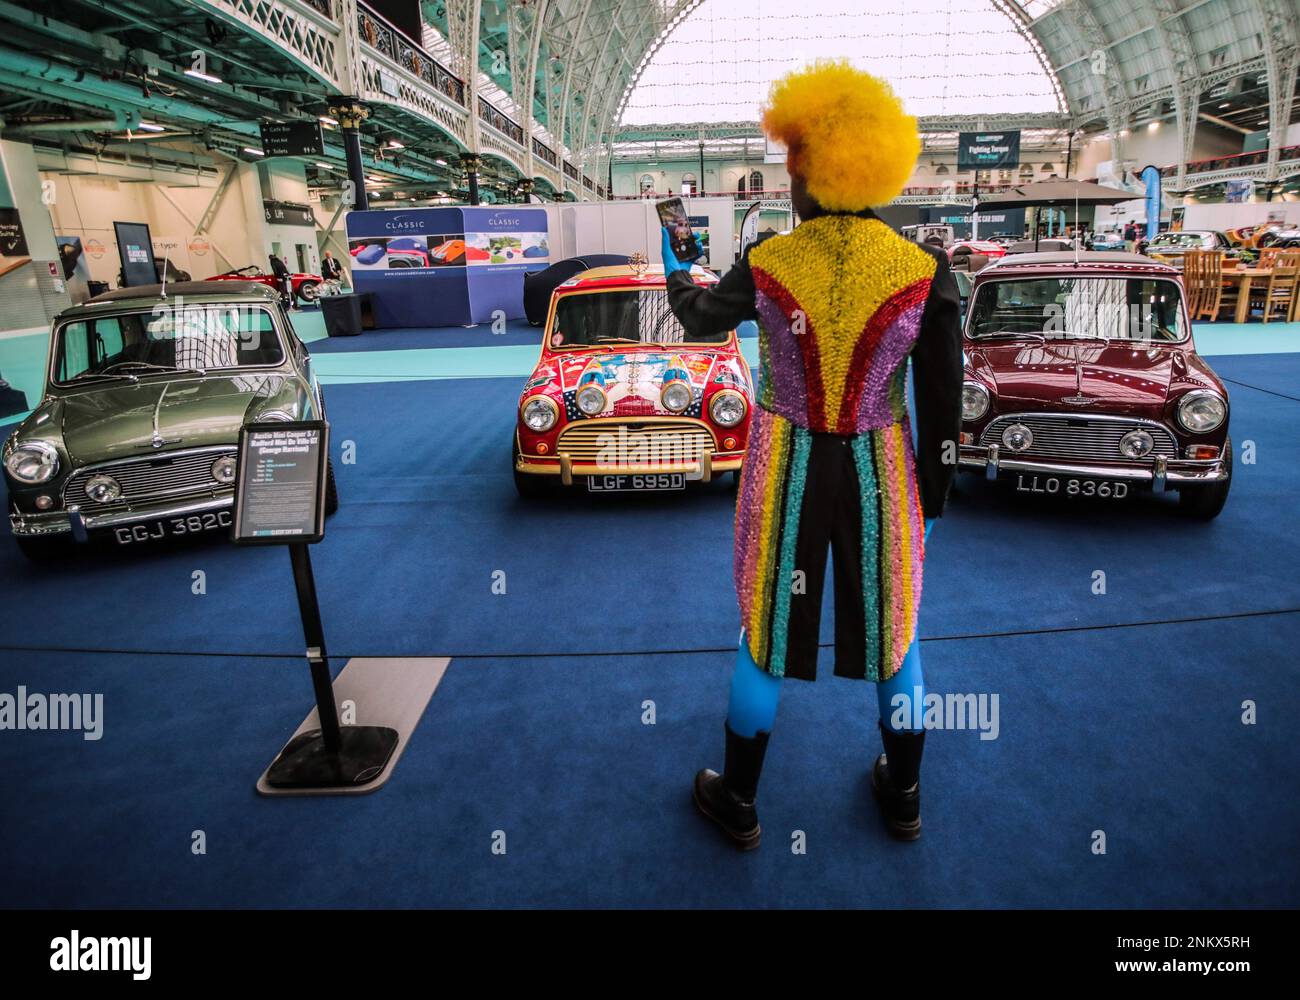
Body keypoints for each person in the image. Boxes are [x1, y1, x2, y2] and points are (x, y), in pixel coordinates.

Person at [660, 60, 962, 849]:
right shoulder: (926, 272)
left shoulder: (768, 263)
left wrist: (672, 256)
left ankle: (741, 800)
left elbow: (694, 317)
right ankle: (903, 795)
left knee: (764, 630)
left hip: (786, 464)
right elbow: (943, 402)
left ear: (806, 171)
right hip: (882, 468)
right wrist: (931, 499)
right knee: (899, 632)